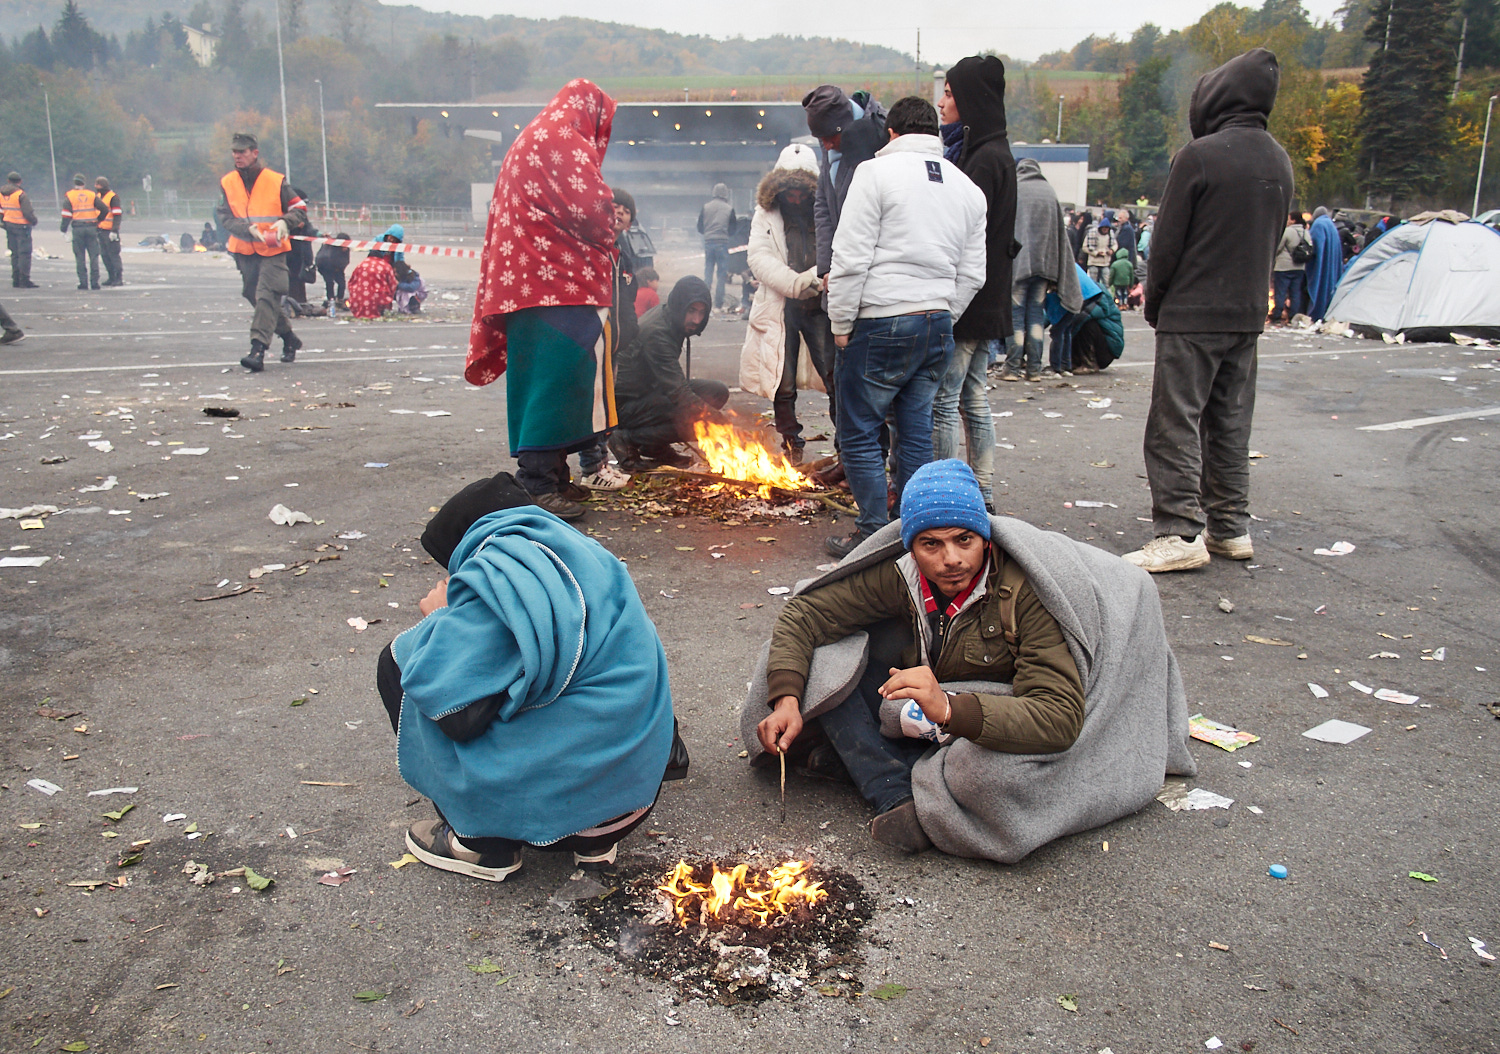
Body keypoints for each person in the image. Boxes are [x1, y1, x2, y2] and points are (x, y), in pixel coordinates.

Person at [742, 458, 1197, 859]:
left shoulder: (1026, 593)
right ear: (911, 547)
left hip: (1000, 696)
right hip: (926, 682)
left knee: (988, 776)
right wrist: (785, 700)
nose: (951, 560)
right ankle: (893, 793)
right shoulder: (900, 573)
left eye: (964, 539)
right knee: (820, 670)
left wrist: (947, 709)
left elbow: (1058, 718)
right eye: (931, 545)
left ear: (986, 538)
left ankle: (870, 765)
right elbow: (806, 612)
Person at [379, 472, 687, 882]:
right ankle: (594, 845)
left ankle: (482, 846)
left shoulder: (499, 575)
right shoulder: (594, 560)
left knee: (399, 661)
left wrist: (440, 621)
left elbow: (457, 716)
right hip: (627, 806)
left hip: (561, 813)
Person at [1127, 48, 1294, 573]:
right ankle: (1230, 527)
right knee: (1230, 424)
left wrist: (1156, 305)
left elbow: (1167, 244)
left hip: (1192, 313)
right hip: (1245, 314)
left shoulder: (1198, 157)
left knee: (1174, 422)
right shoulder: (1280, 159)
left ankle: (1178, 530)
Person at [824, 95, 987, 558]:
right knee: (915, 431)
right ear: (933, 134)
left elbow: (851, 256)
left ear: (891, 134)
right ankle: (912, 530)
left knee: (859, 431)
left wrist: (841, 320)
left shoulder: (874, 175)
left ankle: (873, 533)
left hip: (879, 318)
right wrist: (941, 312)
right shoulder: (965, 187)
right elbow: (974, 272)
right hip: (936, 322)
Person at [465, 79, 621, 524]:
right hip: (557, 283)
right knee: (558, 383)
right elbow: (592, 209)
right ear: (588, 112)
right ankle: (536, 483)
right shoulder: (563, 140)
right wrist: (613, 228)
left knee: (545, 380)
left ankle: (553, 474)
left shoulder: (535, 134)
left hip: (529, 283)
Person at [932, 56, 1016, 502]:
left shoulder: (983, 159)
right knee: (974, 397)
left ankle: (948, 493)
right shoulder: (995, 151)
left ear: (969, 99)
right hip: (990, 299)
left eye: (949, 93)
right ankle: (981, 489)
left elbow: (962, 234)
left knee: (946, 400)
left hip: (971, 300)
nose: (943, 102)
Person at [740, 143, 832, 464]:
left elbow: (838, 251)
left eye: (800, 192)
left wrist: (814, 279)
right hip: (781, 307)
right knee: (783, 380)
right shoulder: (766, 213)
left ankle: (848, 445)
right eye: (788, 192)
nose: (794, 199)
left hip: (822, 307)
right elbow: (758, 256)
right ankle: (791, 442)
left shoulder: (827, 210)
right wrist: (795, 283)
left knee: (835, 377)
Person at [610, 276, 727, 469]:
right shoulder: (658, 334)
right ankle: (627, 438)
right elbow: (678, 394)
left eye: (701, 312)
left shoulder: (671, 316)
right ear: (680, 306)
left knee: (717, 392)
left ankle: (653, 446)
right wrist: (720, 422)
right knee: (697, 418)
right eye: (691, 311)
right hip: (625, 406)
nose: (697, 320)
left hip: (647, 393)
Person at [215, 132, 307, 372]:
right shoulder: (228, 182)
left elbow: (299, 207)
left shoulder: (275, 181)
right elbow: (224, 216)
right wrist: (248, 230)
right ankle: (289, 338)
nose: (237, 156)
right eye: (234, 152)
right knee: (253, 295)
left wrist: (285, 223)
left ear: (254, 153)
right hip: (245, 249)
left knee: (267, 295)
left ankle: (257, 350)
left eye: (242, 152)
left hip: (273, 249)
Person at [574, 187, 640, 493]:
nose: (620, 214)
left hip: (612, 342)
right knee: (591, 403)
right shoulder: (592, 247)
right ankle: (591, 467)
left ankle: (601, 463)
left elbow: (627, 300)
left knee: (605, 404)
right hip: (591, 337)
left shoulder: (623, 255)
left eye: (626, 211)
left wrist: (628, 333)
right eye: (615, 207)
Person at [1001, 158, 1078, 383]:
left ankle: (1013, 367)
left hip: (1019, 265)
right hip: (1044, 267)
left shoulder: (1016, 190)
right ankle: (1034, 369)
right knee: (1036, 316)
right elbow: (1059, 234)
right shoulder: (1049, 192)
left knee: (1015, 317)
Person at [61, 174, 105, 291]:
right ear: (84, 183)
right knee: (94, 256)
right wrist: (97, 220)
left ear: (74, 183)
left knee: (80, 257)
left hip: (78, 229)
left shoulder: (69, 196)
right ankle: (95, 283)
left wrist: (63, 230)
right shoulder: (92, 195)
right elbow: (104, 209)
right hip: (91, 228)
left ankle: (83, 283)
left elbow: (66, 216)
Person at [697, 183, 736, 311]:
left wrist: (708, 233)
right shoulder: (729, 209)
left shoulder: (705, 207)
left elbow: (700, 227)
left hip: (708, 242)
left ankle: (704, 301)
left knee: (708, 271)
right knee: (721, 274)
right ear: (726, 194)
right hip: (722, 243)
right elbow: (733, 229)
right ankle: (718, 304)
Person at [1, 173, 39, 288]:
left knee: (15, 253)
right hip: (22, 227)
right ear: (20, 181)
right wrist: (34, 221)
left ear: (8, 180)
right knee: (25, 254)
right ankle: (24, 280)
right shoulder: (21, 195)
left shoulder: (1, 194)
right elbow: (27, 212)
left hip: (9, 225)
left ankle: (16, 279)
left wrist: (4, 222)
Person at [1305, 206, 1343, 321]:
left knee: (1319, 287)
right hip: (1330, 264)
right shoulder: (1331, 225)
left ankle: (1315, 314)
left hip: (1321, 265)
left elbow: (1315, 246)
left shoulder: (1318, 225)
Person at [1271, 212, 1310, 322]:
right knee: (1295, 292)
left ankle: (1277, 315)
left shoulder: (1287, 231)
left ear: (1293, 220)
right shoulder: (1306, 233)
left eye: (1289, 219)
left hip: (1283, 267)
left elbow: (1278, 248)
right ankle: (1293, 316)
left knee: (1281, 292)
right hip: (1299, 267)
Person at [347, 248, 397, 318]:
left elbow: (351, 282)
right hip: (379, 298)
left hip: (359, 297)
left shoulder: (361, 265)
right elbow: (393, 284)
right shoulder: (385, 266)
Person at [93, 177, 124, 286]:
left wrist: (114, 230)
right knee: (105, 255)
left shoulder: (113, 198)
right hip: (101, 230)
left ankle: (118, 278)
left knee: (114, 254)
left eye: (98, 186)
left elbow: (117, 215)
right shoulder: (98, 197)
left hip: (110, 231)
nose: (96, 188)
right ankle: (111, 277)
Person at [315, 232, 351, 311]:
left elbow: (346, 261)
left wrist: (340, 268)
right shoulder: (331, 247)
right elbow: (328, 259)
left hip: (338, 268)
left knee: (342, 283)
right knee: (329, 283)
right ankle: (330, 300)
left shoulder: (346, 250)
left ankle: (340, 300)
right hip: (325, 267)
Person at [1083, 216, 1115, 286]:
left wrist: (1112, 250)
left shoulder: (1111, 234)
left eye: (1107, 229)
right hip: (1093, 262)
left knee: (1106, 283)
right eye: (1104, 228)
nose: (1105, 230)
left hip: (1105, 263)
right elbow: (1084, 247)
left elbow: (1115, 244)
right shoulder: (1092, 233)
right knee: (1093, 283)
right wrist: (1096, 253)